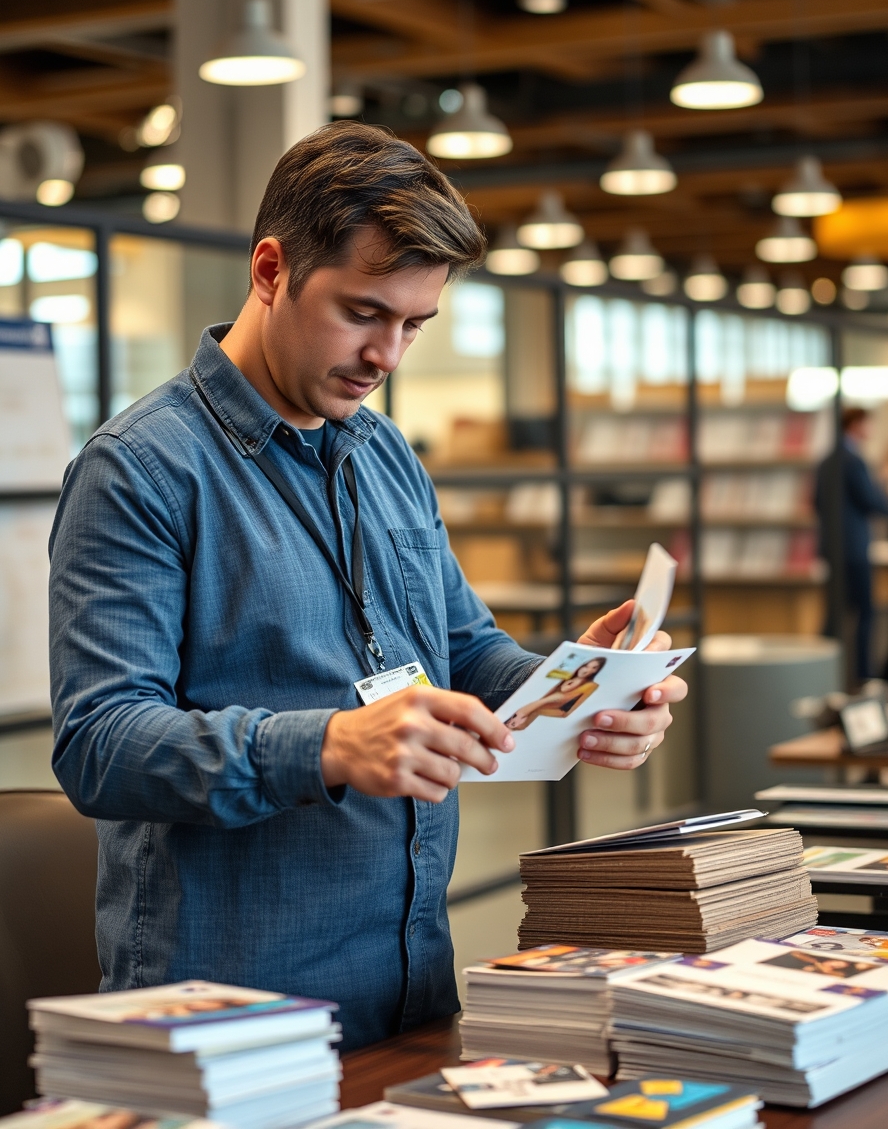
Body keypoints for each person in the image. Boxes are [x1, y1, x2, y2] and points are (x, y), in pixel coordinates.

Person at [48, 122, 687, 1051]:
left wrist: (581, 687)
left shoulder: (384, 452)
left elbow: (462, 649)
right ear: (272, 270)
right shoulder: (140, 471)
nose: (387, 355)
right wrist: (331, 745)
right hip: (233, 1016)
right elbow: (100, 743)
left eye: (414, 325)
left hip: (410, 989)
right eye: (362, 312)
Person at [815, 405, 888, 681]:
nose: (871, 430)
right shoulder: (854, 461)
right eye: (868, 424)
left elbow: (817, 503)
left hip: (833, 547)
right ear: (856, 425)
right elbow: (870, 500)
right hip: (855, 549)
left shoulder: (826, 460)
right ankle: (864, 676)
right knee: (865, 612)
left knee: (835, 612)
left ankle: (823, 672)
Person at [505, 658, 606, 729]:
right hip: (547, 699)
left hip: (558, 705)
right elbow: (554, 685)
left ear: (595, 672)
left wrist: (578, 680)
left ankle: (516, 720)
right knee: (539, 702)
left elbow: (567, 697)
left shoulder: (590, 685)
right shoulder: (569, 675)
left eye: (593, 668)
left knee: (540, 705)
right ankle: (516, 719)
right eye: (587, 666)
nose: (588, 670)